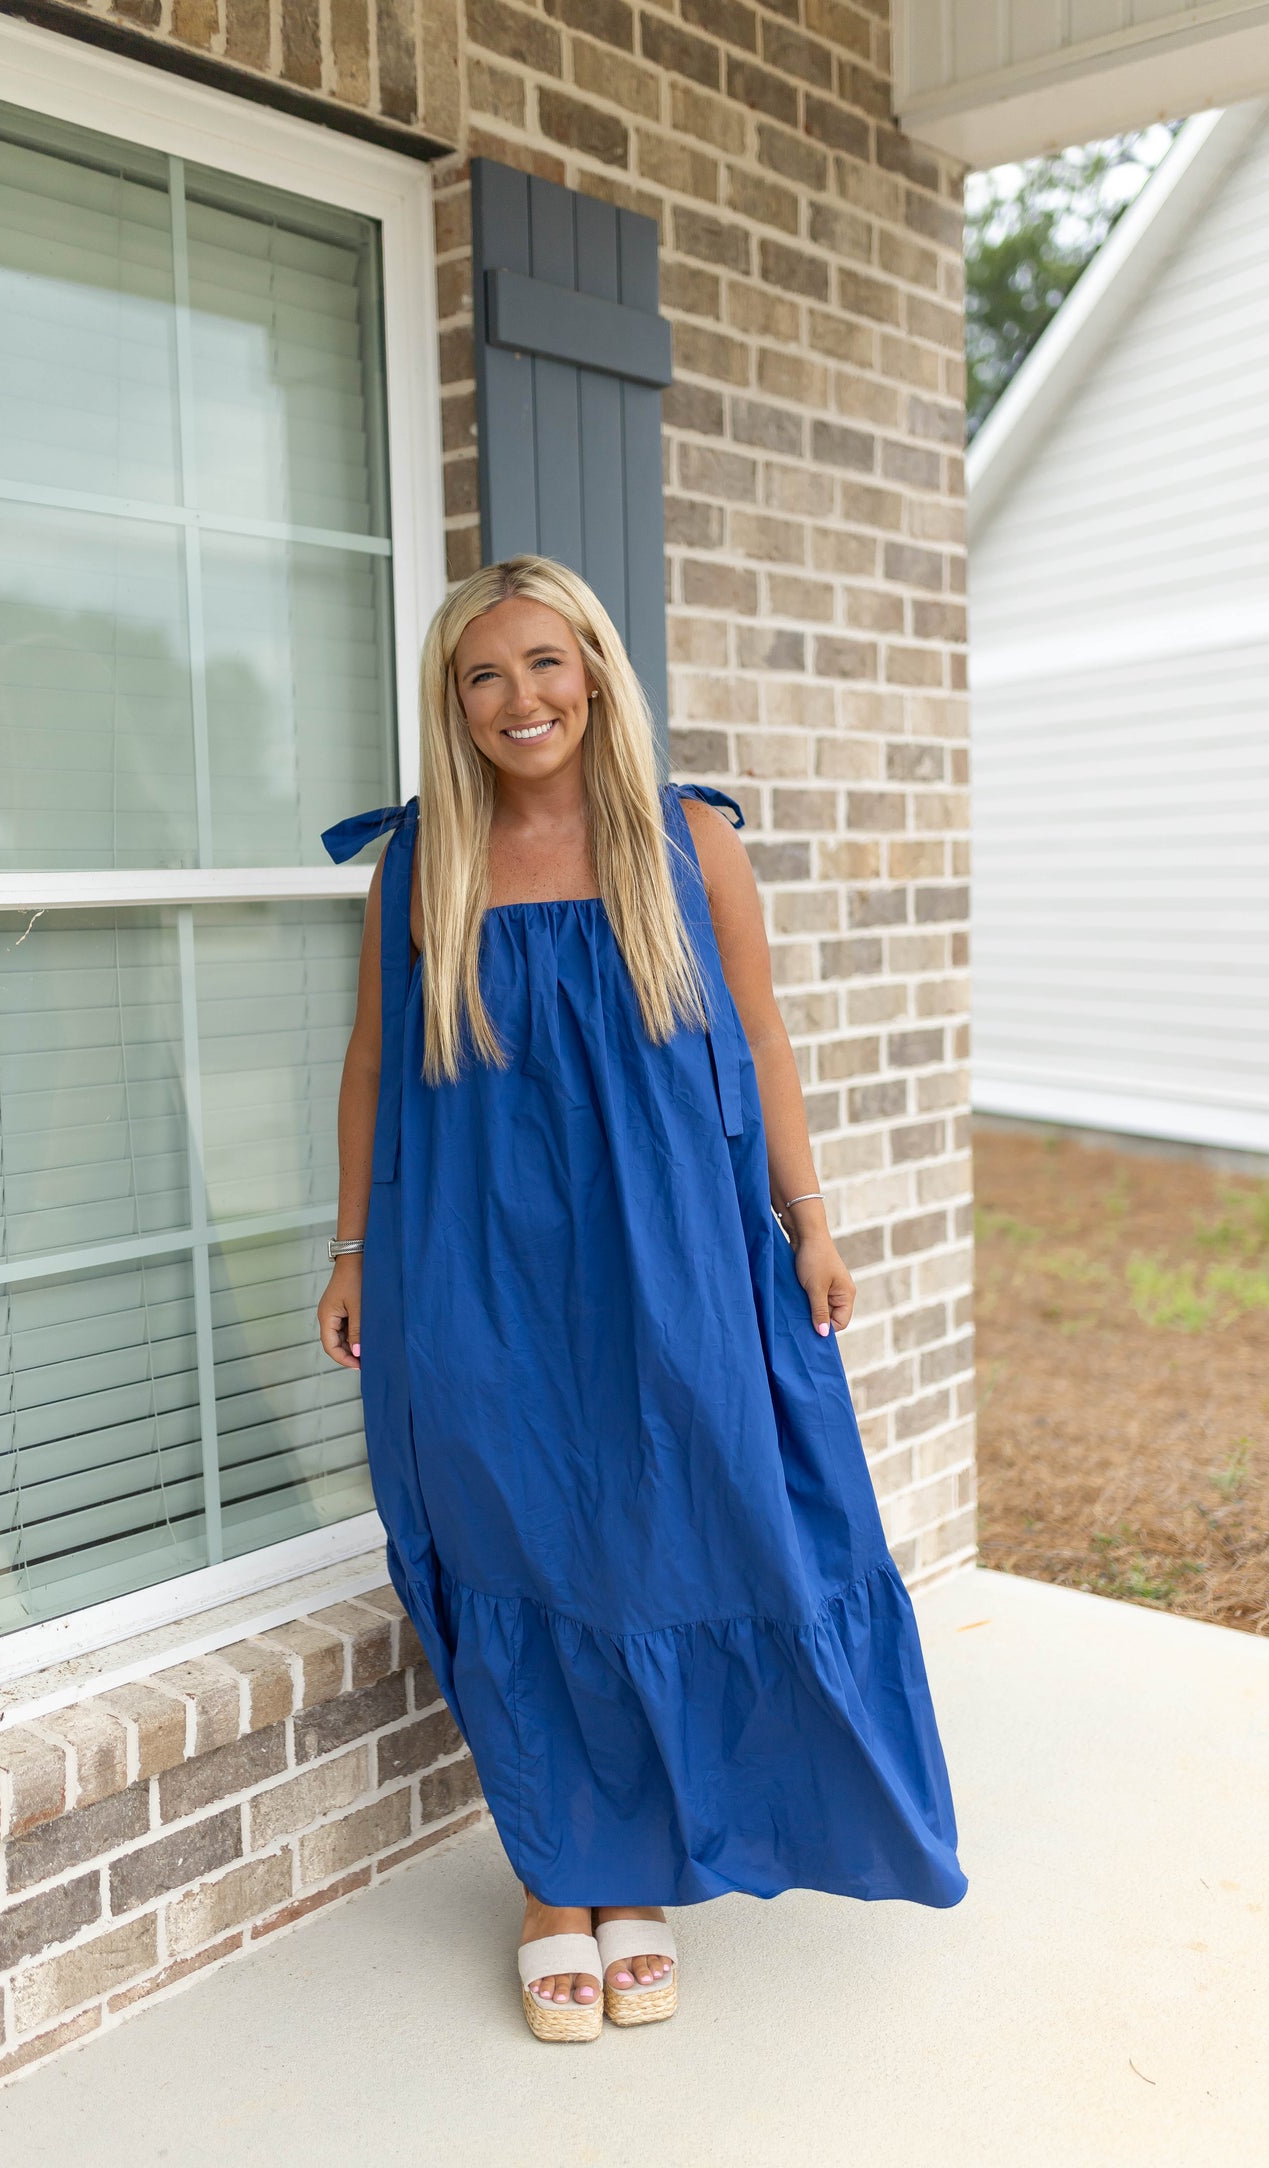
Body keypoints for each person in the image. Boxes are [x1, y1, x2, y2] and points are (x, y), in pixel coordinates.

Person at [317, 555, 967, 2044]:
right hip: (474, 1268)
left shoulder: (684, 844)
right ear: (450, 703)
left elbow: (764, 1043)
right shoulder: (422, 863)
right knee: (515, 1540)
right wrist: (354, 1251)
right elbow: (370, 1063)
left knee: (669, 1533)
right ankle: (557, 1879)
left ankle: (639, 1864)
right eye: (481, 675)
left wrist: (810, 1224)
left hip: (670, 1258)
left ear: (595, 673)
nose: (516, 699)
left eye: (542, 663)